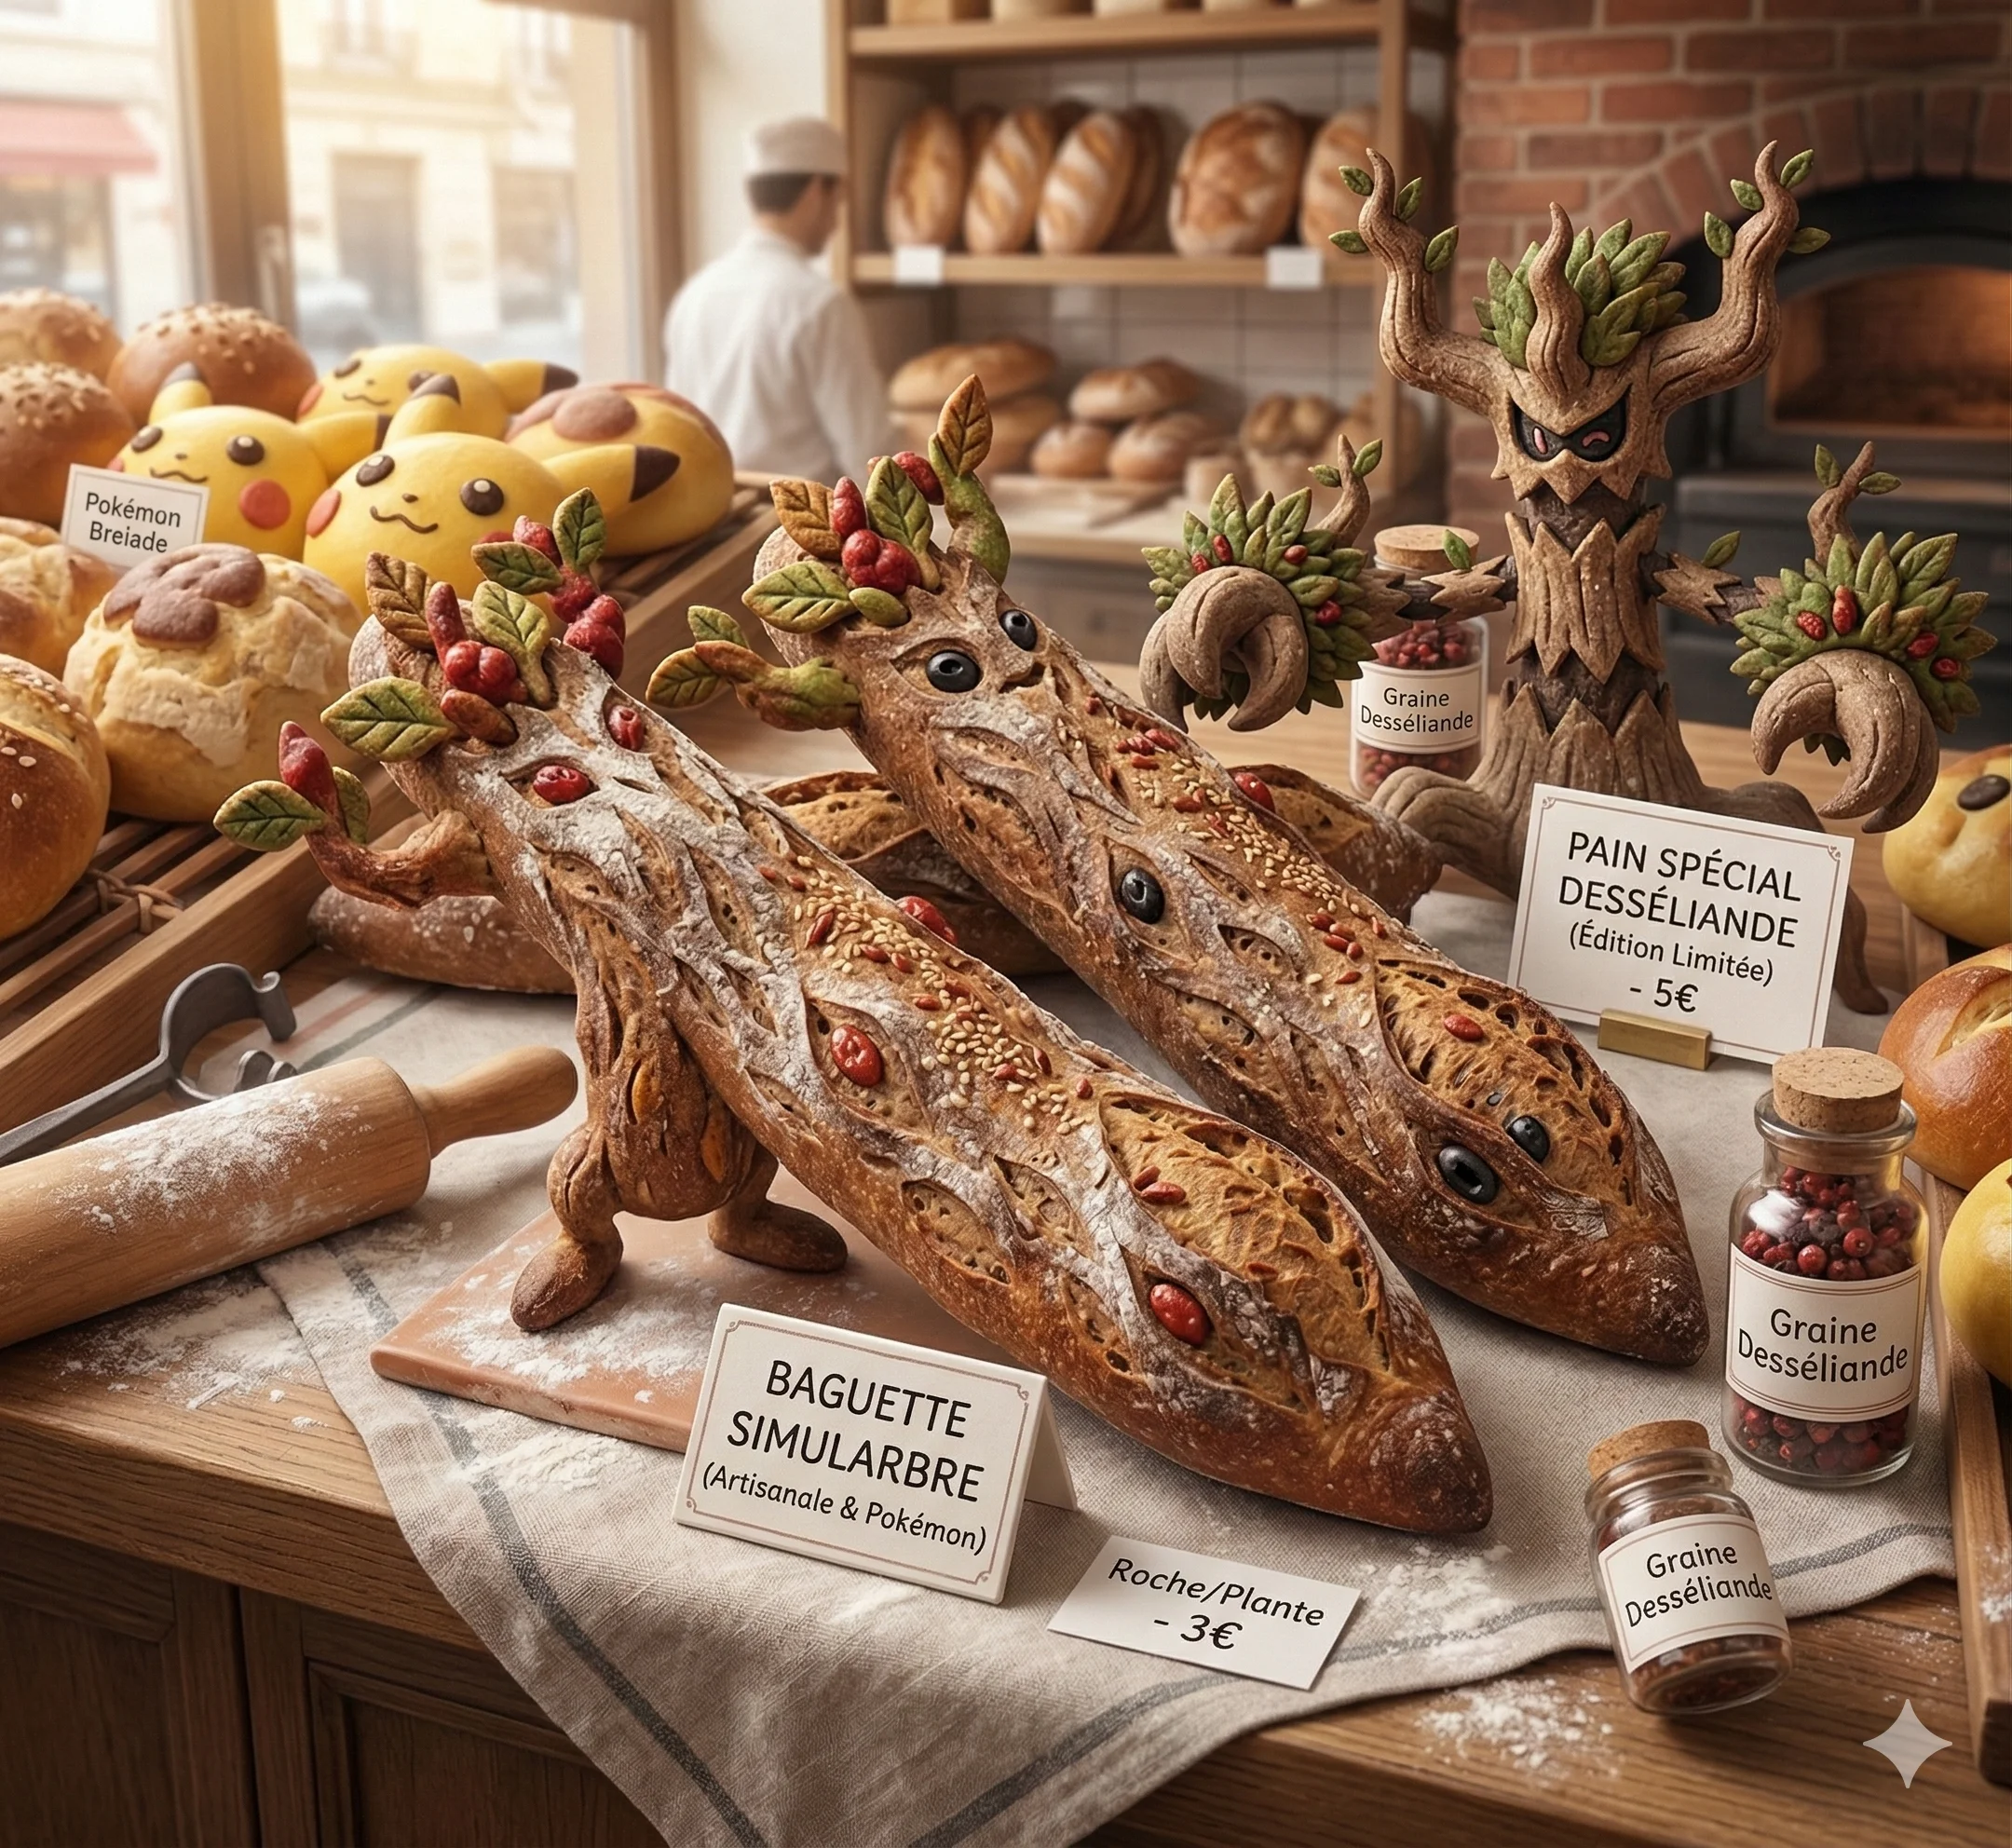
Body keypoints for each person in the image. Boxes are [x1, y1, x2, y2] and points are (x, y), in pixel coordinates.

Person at [663, 116, 889, 483]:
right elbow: (869, 455)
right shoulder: (820, 304)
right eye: (839, 201)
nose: (836, 223)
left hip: (721, 523)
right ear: (818, 191)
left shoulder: (695, 295)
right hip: (803, 530)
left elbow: (677, 431)